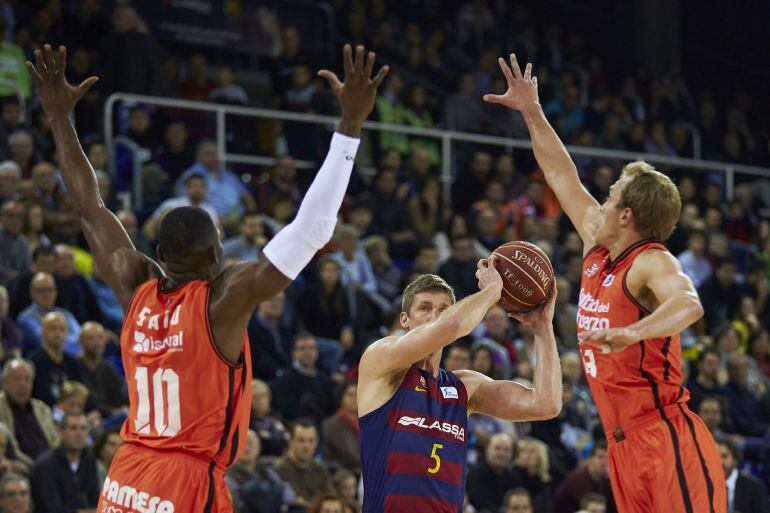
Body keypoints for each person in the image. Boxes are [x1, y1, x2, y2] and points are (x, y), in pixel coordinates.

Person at [27, 42, 387, 512]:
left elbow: (89, 205)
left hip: (127, 472)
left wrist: (58, 118)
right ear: (218, 254)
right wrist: (350, 126)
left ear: (158, 254)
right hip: (184, 479)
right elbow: (313, 230)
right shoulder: (221, 301)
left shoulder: (133, 283)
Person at [485, 53, 725, 512]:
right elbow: (560, 174)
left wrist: (632, 332)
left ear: (627, 216)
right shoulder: (599, 244)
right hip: (620, 446)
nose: (603, 198)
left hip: (665, 434)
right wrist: (532, 113)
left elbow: (690, 303)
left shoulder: (650, 262)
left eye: (612, 195)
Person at [357, 269, 561, 513]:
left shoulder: (464, 387)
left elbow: (546, 404)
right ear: (404, 320)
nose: (435, 317)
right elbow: (453, 324)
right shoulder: (381, 360)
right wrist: (491, 292)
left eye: (444, 310)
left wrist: (542, 327)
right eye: (424, 308)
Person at [30, 412, 100, 513]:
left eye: (83, 428)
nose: (79, 433)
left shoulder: (89, 459)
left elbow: (95, 497)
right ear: (61, 433)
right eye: (73, 428)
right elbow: (51, 508)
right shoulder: (45, 465)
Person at [0, 359, 59, 466]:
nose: (23, 384)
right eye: (17, 379)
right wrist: (36, 467)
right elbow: (11, 449)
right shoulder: (1, 407)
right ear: (5, 383)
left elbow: (55, 442)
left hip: (51, 468)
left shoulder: (42, 409)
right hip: (22, 468)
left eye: (27, 379)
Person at [29, 312, 85, 407]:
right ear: (42, 332)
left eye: (62, 329)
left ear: (67, 333)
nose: (58, 333)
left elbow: (82, 392)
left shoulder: (73, 363)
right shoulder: (33, 363)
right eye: (52, 328)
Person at [275, 419, 334, 505]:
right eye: (301, 440)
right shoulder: (280, 470)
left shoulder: (320, 468)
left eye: (311, 441)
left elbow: (330, 499)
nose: (306, 446)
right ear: (291, 442)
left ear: (316, 443)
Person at [552, 442, 614, 513]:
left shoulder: (607, 481)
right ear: (589, 459)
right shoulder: (577, 480)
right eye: (600, 457)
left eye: (608, 458)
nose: (605, 462)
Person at [466, 432, 519, 513]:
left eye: (506, 450)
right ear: (487, 449)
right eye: (497, 448)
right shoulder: (475, 475)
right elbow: (482, 505)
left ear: (512, 454)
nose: (501, 453)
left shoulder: (514, 476)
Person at [716, 438, 769, 513]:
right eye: (715, 456)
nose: (720, 462)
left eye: (724, 456)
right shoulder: (706, 487)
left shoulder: (755, 488)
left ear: (735, 459)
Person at [322, 381, 361, 473]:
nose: (354, 399)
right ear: (341, 398)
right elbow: (350, 455)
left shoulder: (367, 421)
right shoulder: (332, 425)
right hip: (344, 473)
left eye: (357, 395)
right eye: (350, 395)